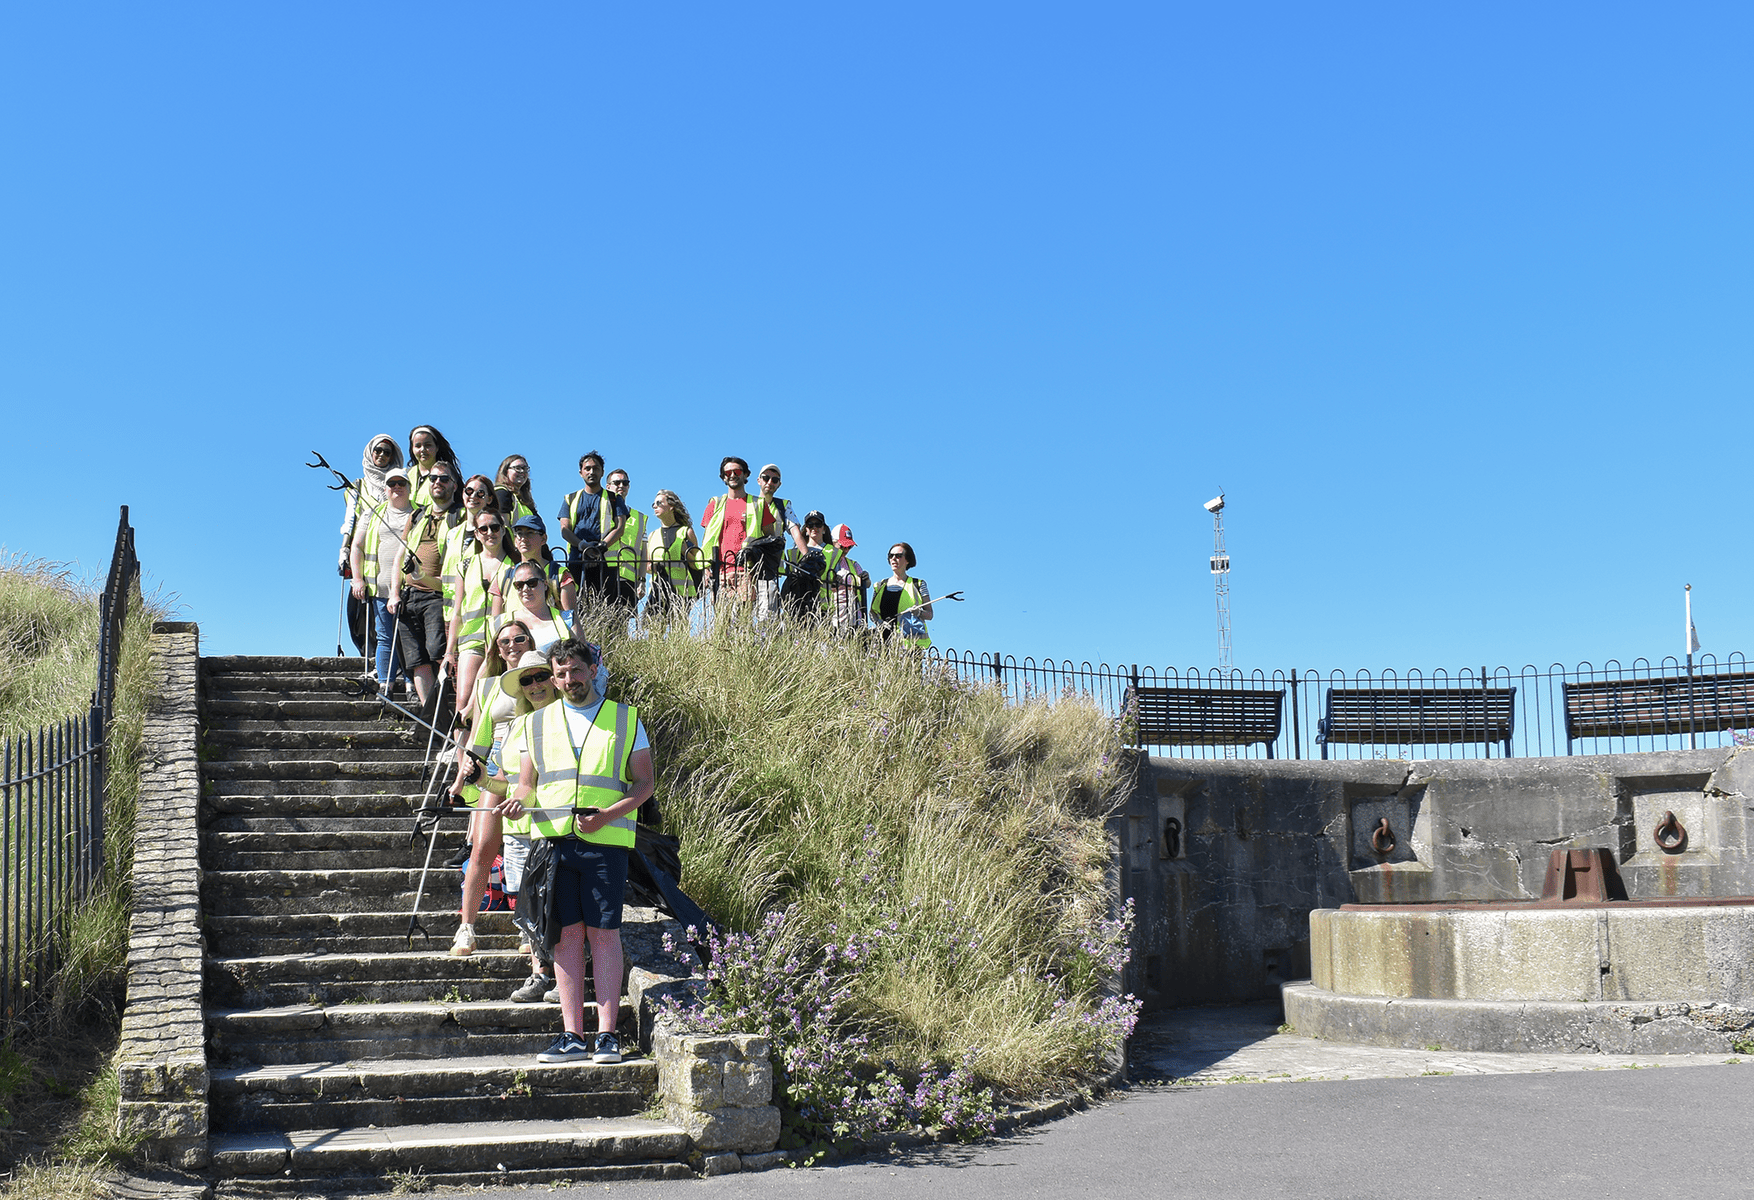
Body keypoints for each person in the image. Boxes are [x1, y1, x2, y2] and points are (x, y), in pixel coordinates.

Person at [501, 639, 653, 1065]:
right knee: (566, 937)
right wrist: (518, 799)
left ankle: (606, 1037)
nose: (569, 681)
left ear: (593, 668)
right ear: (554, 677)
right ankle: (571, 1036)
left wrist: (608, 815)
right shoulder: (534, 724)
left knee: (604, 936)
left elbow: (644, 784)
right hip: (553, 843)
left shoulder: (626, 718)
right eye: (561, 674)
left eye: (576, 671)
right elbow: (527, 785)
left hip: (606, 844)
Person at [448, 645, 556, 960]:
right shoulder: (489, 687)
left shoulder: (562, 713)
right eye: (527, 679)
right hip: (502, 768)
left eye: (520, 638)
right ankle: (466, 926)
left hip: (539, 788)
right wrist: (470, 776)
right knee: (483, 849)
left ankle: (532, 933)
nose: (512, 645)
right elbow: (481, 735)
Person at [391, 464, 464, 708]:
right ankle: (432, 713)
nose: (438, 482)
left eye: (444, 478)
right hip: (408, 595)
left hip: (438, 595)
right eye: (433, 478)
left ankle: (448, 709)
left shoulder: (461, 516)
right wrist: (393, 593)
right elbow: (399, 555)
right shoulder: (417, 515)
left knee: (437, 653)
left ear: (454, 484)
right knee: (416, 660)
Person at [700, 458, 800, 620]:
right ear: (723, 477)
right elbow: (707, 540)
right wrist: (705, 569)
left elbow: (770, 539)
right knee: (721, 624)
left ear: (745, 474)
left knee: (741, 623)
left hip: (747, 571)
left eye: (737, 471)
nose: (732, 475)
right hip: (720, 571)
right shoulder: (715, 504)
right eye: (728, 472)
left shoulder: (758, 504)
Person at [446, 505, 516, 721]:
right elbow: (456, 611)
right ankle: (460, 755)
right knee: (463, 700)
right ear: (476, 534)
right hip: (470, 640)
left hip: (503, 641)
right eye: (483, 529)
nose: (489, 533)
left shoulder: (515, 566)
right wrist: (449, 651)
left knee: (491, 702)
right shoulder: (465, 565)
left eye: (494, 527)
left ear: (503, 530)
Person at [348, 464, 415, 684]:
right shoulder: (372, 513)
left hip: (412, 587)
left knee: (409, 638)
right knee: (385, 637)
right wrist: (357, 579)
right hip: (380, 587)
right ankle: (385, 683)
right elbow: (356, 546)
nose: (397, 487)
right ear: (385, 489)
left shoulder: (420, 513)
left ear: (409, 486)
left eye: (401, 483)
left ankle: (409, 683)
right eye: (391, 483)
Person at [558, 451, 628, 604]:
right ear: (581, 472)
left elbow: (620, 527)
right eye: (587, 468)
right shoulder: (569, 499)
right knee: (577, 605)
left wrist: (599, 548)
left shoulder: (614, 499)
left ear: (602, 472)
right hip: (577, 559)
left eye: (595, 468)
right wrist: (583, 546)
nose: (591, 472)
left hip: (606, 560)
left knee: (606, 606)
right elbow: (564, 529)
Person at [338, 434, 402, 577]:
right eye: (378, 450)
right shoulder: (358, 486)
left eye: (387, 452)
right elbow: (350, 520)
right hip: (363, 549)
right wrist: (344, 549)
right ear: (371, 452)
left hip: (392, 547)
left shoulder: (400, 484)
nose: (382, 455)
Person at [494, 515, 577, 617]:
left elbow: (570, 621)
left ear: (543, 539)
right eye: (519, 534)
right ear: (515, 541)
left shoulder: (559, 575)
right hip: (514, 633)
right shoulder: (504, 576)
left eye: (530, 533)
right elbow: (496, 623)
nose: (523, 538)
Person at [644, 490, 701, 625]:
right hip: (658, 590)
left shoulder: (686, 531)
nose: (655, 506)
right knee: (654, 630)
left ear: (671, 506)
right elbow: (647, 566)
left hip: (681, 592)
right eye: (654, 504)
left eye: (659, 503)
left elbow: (697, 564)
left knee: (680, 632)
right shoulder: (653, 535)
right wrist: (653, 567)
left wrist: (685, 551)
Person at [493, 559, 570, 655]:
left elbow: (582, 658)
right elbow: (491, 661)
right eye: (519, 585)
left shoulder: (568, 619)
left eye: (532, 583)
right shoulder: (499, 622)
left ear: (545, 584)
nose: (525, 589)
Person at [872, 542, 933, 648]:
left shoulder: (918, 584)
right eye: (891, 556)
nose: (893, 559)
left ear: (907, 560)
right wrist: (879, 623)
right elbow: (872, 612)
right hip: (884, 643)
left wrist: (918, 612)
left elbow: (930, 614)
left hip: (911, 647)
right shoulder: (879, 585)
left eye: (898, 556)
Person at [603, 468, 646, 611]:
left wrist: (642, 580)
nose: (621, 485)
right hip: (604, 574)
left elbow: (643, 552)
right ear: (608, 486)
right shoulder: (600, 511)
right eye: (617, 482)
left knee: (622, 625)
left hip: (629, 579)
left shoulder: (639, 518)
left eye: (625, 482)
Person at [826, 523, 871, 636]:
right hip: (833, 616)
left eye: (849, 547)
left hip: (855, 617)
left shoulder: (854, 565)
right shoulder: (826, 561)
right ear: (833, 542)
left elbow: (867, 584)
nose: (846, 550)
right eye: (842, 546)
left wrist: (866, 577)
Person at [406, 425, 463, 510]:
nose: (423, 449)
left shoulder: (447, 475)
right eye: (418, 446)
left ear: (437, 447)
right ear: (412, 449)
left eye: (427, 445)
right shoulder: (405, 475)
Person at [494, 455, 538, 522]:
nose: (522, 471)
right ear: (505, 471)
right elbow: (503, 525)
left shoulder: (525, 500)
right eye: (517, 468)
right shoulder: (501, 493)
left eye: (525, 468)